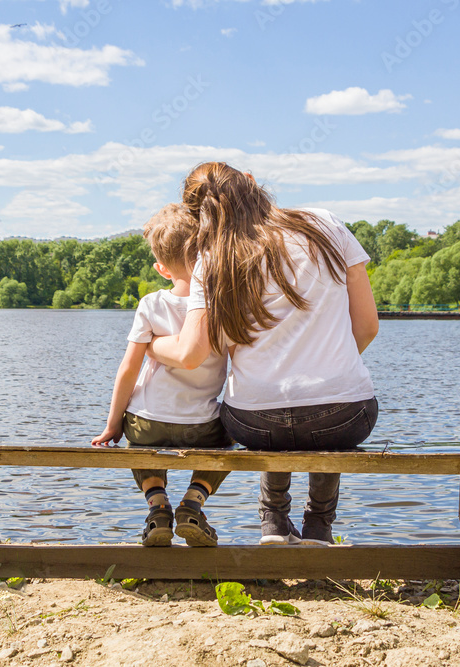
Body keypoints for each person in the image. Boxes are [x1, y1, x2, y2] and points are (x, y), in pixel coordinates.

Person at [148, 162, 379, 546]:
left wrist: (151, 345)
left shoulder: (211, 260)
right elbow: (368, 325)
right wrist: (328, 364)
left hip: (254, 422)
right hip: (344, 416)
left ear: (199, 215)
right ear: (252, 183)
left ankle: (273, 522)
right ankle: (319, 528)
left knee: (271, 416)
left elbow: (190, 353)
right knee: (328, 412)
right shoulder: (324, 224)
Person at [91, 203, 230, 548]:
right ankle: (193, 503)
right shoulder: (222, 303)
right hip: (202, 426)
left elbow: (128, 369)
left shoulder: (151, 304)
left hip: (147, 422)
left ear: (161, 269)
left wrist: (113, 424)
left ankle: (157, 508)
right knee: (229, 441)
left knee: (137, 441)